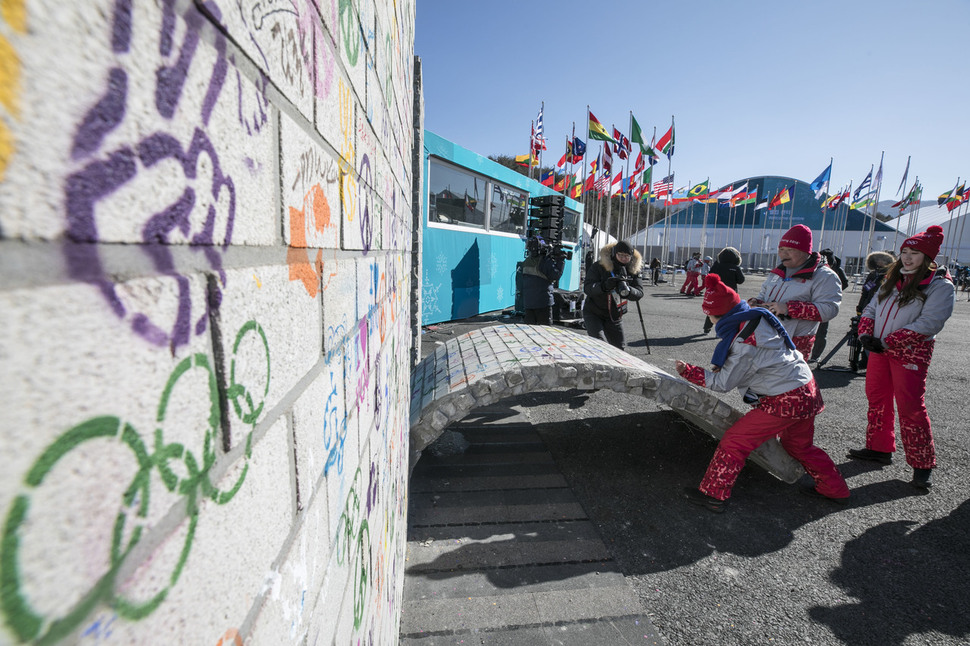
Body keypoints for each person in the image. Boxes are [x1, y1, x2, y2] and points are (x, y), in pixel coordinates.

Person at [675, 274, 850, 512]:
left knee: (735, 442)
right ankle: (835, 489)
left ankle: (714, 495)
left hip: (783, 399)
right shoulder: (759, 319)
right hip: (805, 389)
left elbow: (722, 383)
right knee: (800, 446)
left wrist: (689, 372)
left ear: (718, 316)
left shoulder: (744, 341)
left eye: (710, 316)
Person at [848, 226, 955, 490]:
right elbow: (871, 307)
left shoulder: (940, 286)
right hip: (879, 350)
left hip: (910, 352)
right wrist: (865, 333)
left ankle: (922, 464)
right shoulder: (892, 279)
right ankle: (879, 447)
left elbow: (929, 323)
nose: (907, 257)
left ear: (927, 257)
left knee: (911, 407)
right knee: (876, 397)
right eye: (904, 251)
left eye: (915, 253)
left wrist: (887, 341)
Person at [749, 224, 842, 359]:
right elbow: (763, 295)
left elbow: (829, 309)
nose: (783, 254)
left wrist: (789, 308)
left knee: (787, 380)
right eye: (781, 249)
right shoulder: (777, 273)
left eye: (790, 249)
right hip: (764, 337)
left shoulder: (825, 276)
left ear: (805, 252)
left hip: (795, 342)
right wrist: (756, 302)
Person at [583, 240, 644, 350]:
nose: (623, 258)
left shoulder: (633, 269)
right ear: (614, 253)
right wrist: (604, 286)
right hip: (594, 311)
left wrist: (628, 290)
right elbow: (587, 288)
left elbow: (639, 293)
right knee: (599, 344)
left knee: (620, 348)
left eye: (627, 256)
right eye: (620, 255)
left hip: (615, 314)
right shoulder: (599, 266)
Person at [809, 249, 850, 362]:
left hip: (825, 303)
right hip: (813, 301)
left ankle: (816, 355)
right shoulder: (817, 267)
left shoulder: (836, 269)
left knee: (821, 331)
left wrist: (834, 292)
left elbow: (845, 283)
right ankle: (811, 354)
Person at [520, 237, 565, 325]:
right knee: (545, 331)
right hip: (543, 303)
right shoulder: (544, 262)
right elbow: (556, 275)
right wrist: (560, 261)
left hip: (528, 303)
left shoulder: (526, 262)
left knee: (529, 330)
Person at [703, 247, 745, 333]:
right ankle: (725, 330)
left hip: (716, 293)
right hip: (730, 294)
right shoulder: (735, 267)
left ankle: (707, 327)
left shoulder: (716, 265)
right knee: (730, 312)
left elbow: (710, 276)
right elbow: (741, 280)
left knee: (713, 311)